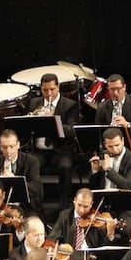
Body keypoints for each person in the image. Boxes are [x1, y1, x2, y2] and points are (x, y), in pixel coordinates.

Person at [27, 71, 81, 205]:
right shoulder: (34, 103)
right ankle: (35, 203)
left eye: (52, 89)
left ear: (58, 88)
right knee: (30, 165)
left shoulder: (70, 105)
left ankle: (63, 204)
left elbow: (73, 130)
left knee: (65, 166)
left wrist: (53, 121)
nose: (49, 93)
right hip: (39, 150)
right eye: (45, 90)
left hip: (61, 150)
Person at [0, 128, 45, 217]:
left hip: (26, 207)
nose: (8, 151)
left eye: (11, 146)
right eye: (5, 147)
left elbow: (36, 189)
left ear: (18, 145)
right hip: (0, 207)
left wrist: (15, 180)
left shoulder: (31, 162)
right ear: (0, 147)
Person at [94, 73, 131, 158]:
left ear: (124, 87)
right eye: (112, 89)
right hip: (111, 150)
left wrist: (128, 125)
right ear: (108, 89)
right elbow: (97, 132)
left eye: (118, 89)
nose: (115, 93)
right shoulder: (102, 107)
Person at [88, 126, 131, 206]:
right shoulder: (103, 155)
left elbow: (128, 186)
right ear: (105, 144)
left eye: (117, 145)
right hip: (104, 201)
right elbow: (94, 185)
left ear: (122, 141)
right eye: (110, 146)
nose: (114, 149)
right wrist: (95, 170)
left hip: (126, 203)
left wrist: (108, 170)